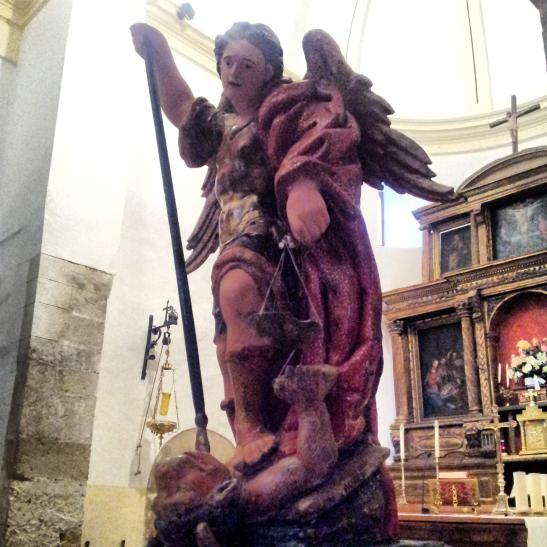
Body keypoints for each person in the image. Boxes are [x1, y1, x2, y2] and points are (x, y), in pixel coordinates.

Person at [130, 20, 456, 538]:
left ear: (270, 73)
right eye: (227, 62)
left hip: (278, 246)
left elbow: (329, 135)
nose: (234, 73)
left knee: (242, 300)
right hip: (234, 243)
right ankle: (249, 426)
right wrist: (160, 55)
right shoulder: (222, 126)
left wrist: (302, 181)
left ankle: (259, 429)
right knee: (230, 345)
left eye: (248, 64)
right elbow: (182, 108)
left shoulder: (286, 110)